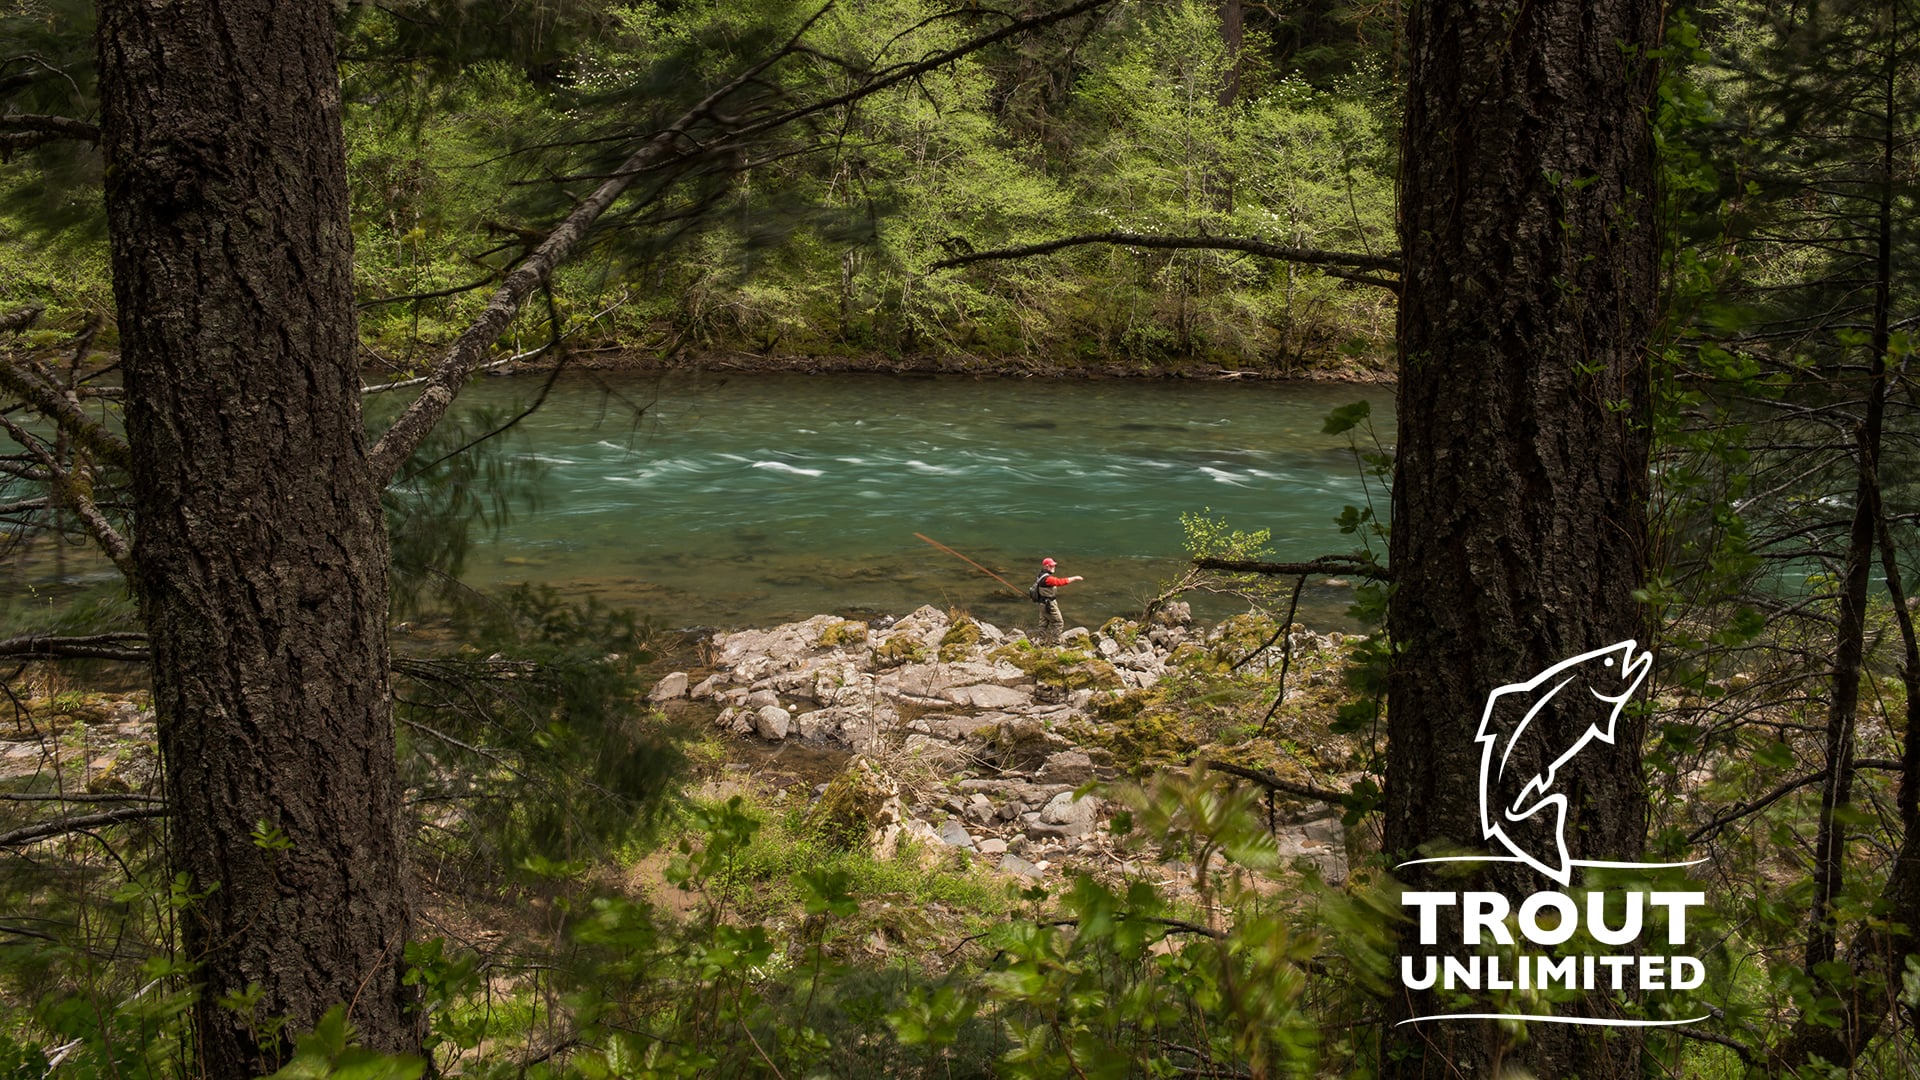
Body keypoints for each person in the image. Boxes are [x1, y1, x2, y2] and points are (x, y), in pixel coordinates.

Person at [1029, 557, 1084, 644]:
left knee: (1043, 623)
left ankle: (1041, 641)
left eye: (1054, 565)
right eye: (1052, 566)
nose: (1054, 567)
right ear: (1046, 566)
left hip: (1042, 604)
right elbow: (1060, 582)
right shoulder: (1047, 579)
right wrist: (1075, 578)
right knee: (1058, 622)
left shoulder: (1040, 574)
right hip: (1049, 605)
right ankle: (1055, 642)